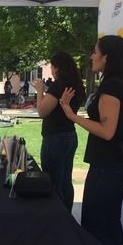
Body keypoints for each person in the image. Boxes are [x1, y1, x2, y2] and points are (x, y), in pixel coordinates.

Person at [60, 35, 123, 245]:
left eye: (95, 51)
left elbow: (107, 131)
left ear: (106, 57)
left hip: (109, 165)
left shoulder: (113, 86)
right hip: (120, 163)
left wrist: (71, 115)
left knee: (93, 225)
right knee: (111, 220)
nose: (91, 56)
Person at [31, 51, 86, 212]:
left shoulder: (58, 85)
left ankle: (59, 221)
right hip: (70, 135)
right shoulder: (76, 84)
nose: (52, 71)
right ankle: (68, 218)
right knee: (65, 181)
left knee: (54, 183)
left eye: (52, 67)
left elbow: (42, 111)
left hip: (55, 138)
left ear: (57, 68)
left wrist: (40, 91)